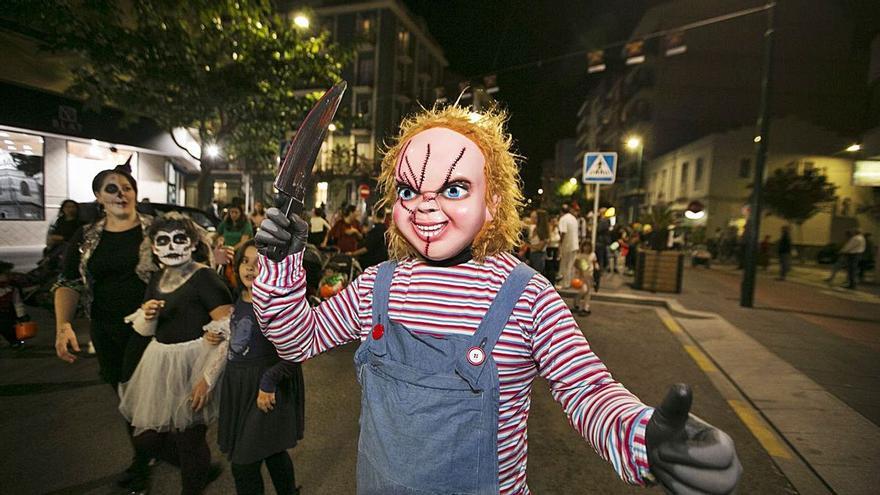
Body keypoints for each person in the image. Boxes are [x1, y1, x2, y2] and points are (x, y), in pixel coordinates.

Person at [254, 105, 741, 495]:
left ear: (492, 202)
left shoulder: (527, 296)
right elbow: (296, 339)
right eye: (408, 190)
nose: (426, 206)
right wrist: (279, 263)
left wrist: (647, 441)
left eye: (453, 188)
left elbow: (589, 392)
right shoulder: (376, 284)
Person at [53, 163, 158, 490]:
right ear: (99, 197)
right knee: (127, 400)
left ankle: (148, 463)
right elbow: (68, 282)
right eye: (111, 189)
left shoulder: (156, 230)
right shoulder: (86, 237)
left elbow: (187, 266)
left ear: (135, 193)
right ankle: (162, 454)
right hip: (106, 329)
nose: (120, 194)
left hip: (151, 329)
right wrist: (62, 325)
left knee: (145, 398)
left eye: (126, 188)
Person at [119, 212, 232, 495]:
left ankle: (193, 484)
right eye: (163, 241)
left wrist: (207, 378)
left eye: (179, 239)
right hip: (160, 364)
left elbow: (229, 328)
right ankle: (200, 471)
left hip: (195, 364)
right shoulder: (158, 277)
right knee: (147, 438)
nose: (171, 246)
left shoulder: (204, 278)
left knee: (190, 439)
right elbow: (146, 330)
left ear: (193, 243)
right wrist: (147, 315)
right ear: (154, 247)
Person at [218, 241, 304, 495]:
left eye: (259, 263)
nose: (250, 269)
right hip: (240, 386)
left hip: (266, 388)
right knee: (272, 451)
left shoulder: (279, 304)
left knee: (244, 464)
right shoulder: (240, 297)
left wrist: (269, 381)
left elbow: (297, 350)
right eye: (245, 261)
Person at [0, 261, 30, 349]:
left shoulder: (12, 288)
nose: (9, 276)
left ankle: (17, 342)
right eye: (6, 274)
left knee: (9, 330)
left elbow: (17, 303)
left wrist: (21, 315)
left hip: (7, 313)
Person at [571, 240, 599, 316]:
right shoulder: (579, 255)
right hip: (582, 276)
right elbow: (576, 265)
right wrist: (579, 273)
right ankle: (577, 300)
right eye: (585, 246)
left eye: (588, 246)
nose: (586, 248)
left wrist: (597, 268)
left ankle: (586, 307)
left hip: (590, 275)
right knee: (584, 290)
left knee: (588, 292)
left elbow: (595, 263)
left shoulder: (592, 255)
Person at [556, 202, 579, 288]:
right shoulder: (573, 218)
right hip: (575, 244)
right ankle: (570, 282)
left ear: (561, 212)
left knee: (565, 265)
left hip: (567, 245)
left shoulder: (563, 219)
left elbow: (563, 232)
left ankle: (565, 283)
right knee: (571, 265)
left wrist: (560, 244)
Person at [527, 209, 549, 274]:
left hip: (539, 256)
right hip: (532, 255)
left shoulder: (543, 231)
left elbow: (540, 247)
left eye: (535, 217)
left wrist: (527, 245)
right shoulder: (534, 228)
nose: (533, 219)